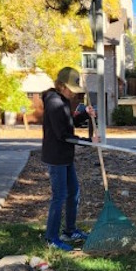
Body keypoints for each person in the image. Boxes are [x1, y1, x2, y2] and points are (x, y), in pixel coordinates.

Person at [41, 66, 98, 251]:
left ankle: (70, 231)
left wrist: (85, 114)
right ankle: (51, 238)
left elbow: (69, 123)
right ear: (61, 86)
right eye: (71, 89)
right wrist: (88, 142)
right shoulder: (54, 103)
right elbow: (63, 134)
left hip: (65, 155)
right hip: (56, 155)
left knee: (73, 193)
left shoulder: (63, 101)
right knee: (59, 196)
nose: (73, 93)